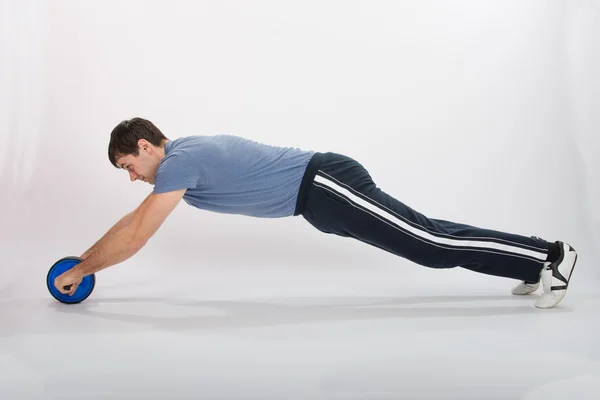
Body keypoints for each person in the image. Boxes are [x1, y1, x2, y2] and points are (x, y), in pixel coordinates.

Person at [53, 117, 578, 309]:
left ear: (146, 146)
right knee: (427, 242)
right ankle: (531, 265)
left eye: (128, 165)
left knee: (429, 243)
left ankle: (550, 257)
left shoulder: (182, 161)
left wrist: (80, 270)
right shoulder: (181, 162)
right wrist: (83, 259)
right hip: (318, 203)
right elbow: (135, 220)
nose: (132, 176)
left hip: (325, 183)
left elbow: (139, 234)